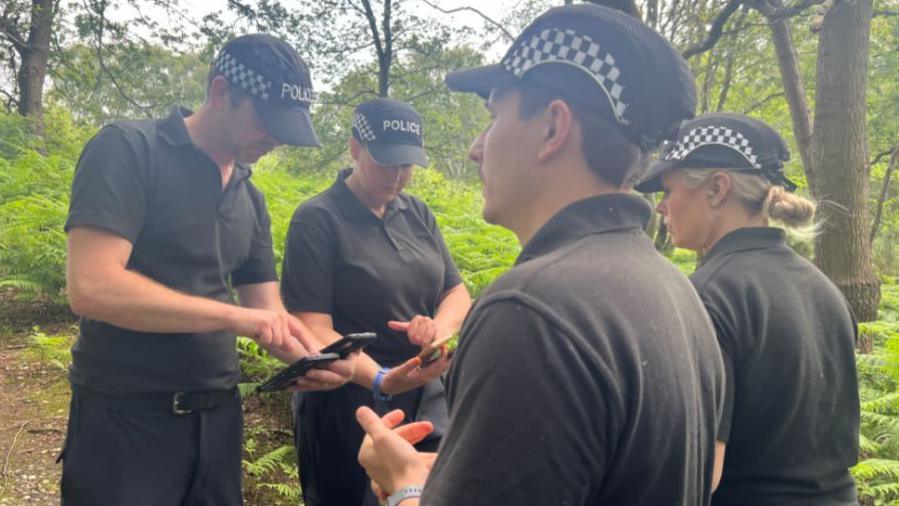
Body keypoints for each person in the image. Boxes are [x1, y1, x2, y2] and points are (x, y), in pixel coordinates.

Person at [354, 5, 725, 506]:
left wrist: (406, 488)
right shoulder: (676, 293)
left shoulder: (531, 310)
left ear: (552, 128)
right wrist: (465, 468)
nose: (475, 147)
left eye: (494, 116)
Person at [61, 34, 354, 506]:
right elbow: (92, 286)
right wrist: (235, 318)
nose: (276, 138)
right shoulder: (129, 149)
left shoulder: (250, 197)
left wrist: (318, 360)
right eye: (267, 121)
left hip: (218, 421)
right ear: (221, 93)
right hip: (125, 420)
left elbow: (267, 311)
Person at [635, 113, 861, 505]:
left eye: (668, 190)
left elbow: (702, 473)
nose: (661, 208)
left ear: (717, 188)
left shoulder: (709, 295)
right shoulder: (824, 290)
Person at [281, 97, 472, 506]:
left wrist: (439, 328)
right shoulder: (318, 218)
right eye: (386, 162)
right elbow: (312, 325)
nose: (398, 176)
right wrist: (383, 378)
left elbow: (455, 292)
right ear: (354, 148)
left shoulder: (417, 213)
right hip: (349, 399)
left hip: (424, 398)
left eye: (407, 166)